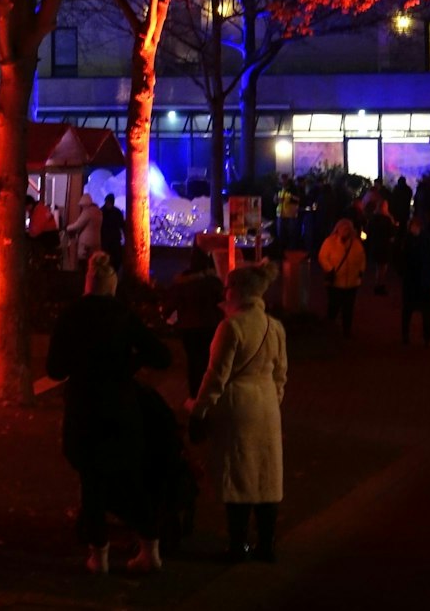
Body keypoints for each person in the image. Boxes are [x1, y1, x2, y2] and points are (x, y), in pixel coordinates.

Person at [46, 253, 173, 574]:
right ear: (112, 287)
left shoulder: (71, 316)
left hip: (84, 408)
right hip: (120, 406)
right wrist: (128, 366)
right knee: (130, 480)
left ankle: (98, 556)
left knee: (92, 482)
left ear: (87, 285)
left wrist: (80, 365)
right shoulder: (123, 315)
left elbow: (54, 368)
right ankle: (150, 549)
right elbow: (161, 355)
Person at [189, 263, 288, 563]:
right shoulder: (275, 326)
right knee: (266, 474)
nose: (225, 291)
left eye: (229, 287)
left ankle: (238, 544)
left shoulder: (230, 327)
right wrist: (273, 400)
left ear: (238, 291)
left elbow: (216, 376)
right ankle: (267, 544)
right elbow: (281, 374)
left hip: (237, 405)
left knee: (238, 475)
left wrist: (200, 410)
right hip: (267, 404)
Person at [165, 246, 226, 397]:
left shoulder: (183, 282)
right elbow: (223, 302)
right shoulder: (213, 282)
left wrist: (171, 320)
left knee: (193, 362)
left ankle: (195, 394)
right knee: (209, 360)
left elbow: (172, 304)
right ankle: (209, 394)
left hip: (189, 327)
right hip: (210, 326)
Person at [397, 211, 430, 345]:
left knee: (424, 311)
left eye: (415, 226)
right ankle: (406, 336)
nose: (413, 229)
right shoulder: (409, 240)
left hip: (422, 280)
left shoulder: (426, 240)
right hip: (413, 280)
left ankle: (426, 338)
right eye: (412, 226)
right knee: (409, 310)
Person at [317, 218, 366, 337]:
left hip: (352, 282)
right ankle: (329, 329)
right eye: (343, 228)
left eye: (348, 229)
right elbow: (322, 257)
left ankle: (346, 331)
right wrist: (330, 269)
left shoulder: (356, 243)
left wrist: (360, 271)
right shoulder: (330, 242)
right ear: (337, 229)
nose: (345, 231)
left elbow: (362, 258)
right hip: (336, 281)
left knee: (348, 308)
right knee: (333, 306)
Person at [66, 196, 104, 273]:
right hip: (96, 241)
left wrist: (67, 228)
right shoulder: (99, 212)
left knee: (83, 264)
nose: (81, 208)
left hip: (86, 243)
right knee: (94, 264)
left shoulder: (87, 212)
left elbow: (78, 225)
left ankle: (83, 281)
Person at [100, 195, 129, 275]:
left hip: (110, 239)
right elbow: (122, 225)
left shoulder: (102, 211)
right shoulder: (116, 212)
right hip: (109, 239)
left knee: (113, 259)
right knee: (113, 259)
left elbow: (122, 225)